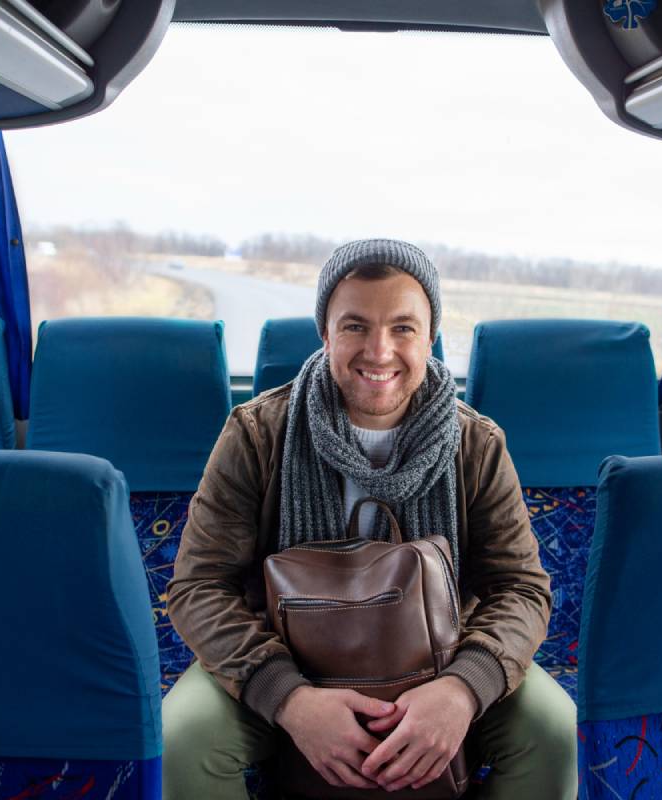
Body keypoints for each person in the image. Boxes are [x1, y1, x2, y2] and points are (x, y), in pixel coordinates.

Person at [163, 239, 578, 798]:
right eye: (355, 326)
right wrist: (289, 697)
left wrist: (461, 689)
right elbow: (198, 586)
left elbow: (522, 588)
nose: (379, 351)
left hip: (442, 654)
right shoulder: (258, 434)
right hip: (285, 653)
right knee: (183, 736)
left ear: (431, 337)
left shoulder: (476, 443)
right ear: (325, 333)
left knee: (554, 732)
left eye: (403, 328)